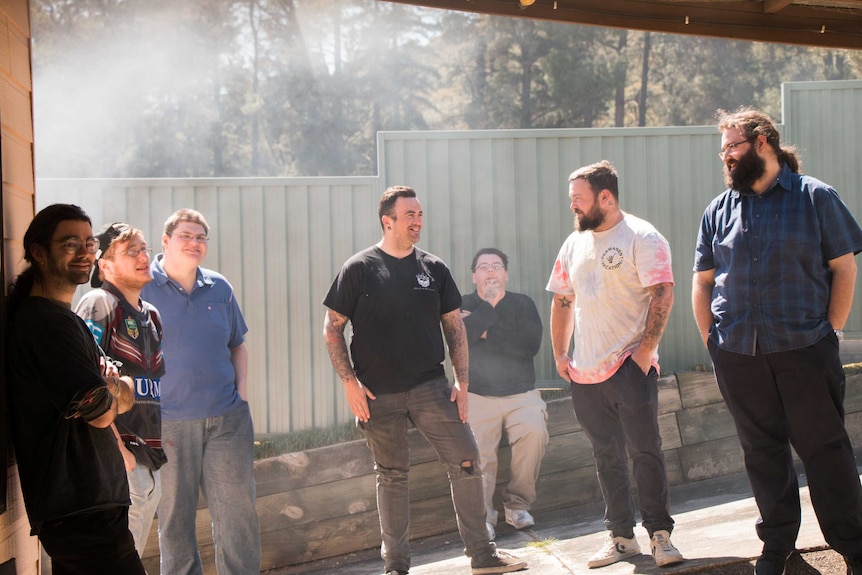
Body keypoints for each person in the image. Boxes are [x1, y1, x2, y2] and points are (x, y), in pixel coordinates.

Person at [692, 107, 862, 575]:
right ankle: (777, 546)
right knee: (762, 453)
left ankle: (853, 546)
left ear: (762, 141)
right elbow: (703, 281)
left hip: (805, 350)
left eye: (732, 146)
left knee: (825, 452)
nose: (725, 156)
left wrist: (831, 332)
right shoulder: (718, 209)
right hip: (738, 355)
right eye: (722, 149)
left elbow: (844, 267)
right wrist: (714, 343)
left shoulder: (816, 197)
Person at [322, 186, 527, 575]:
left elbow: (455, 329)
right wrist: (349, 381)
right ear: (388, 220)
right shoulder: (359, 268)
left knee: (467, 462)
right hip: (376, 394)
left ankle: (482, 556)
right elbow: (332, 328)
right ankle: (396, 566)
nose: (418, 220)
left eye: (420, 214)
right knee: (392, 476)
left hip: (431, 387)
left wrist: (462, 383)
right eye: (410, 214)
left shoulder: (433, 268)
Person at [547, 161, 684, 569]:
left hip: (629, 366)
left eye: (579, 199)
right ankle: (622, 538)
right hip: (584, 372)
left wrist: (643, 355)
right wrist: (560, 354)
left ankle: (660, 536)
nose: (573, 206)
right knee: (606, 457)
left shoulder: (642, 236)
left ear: (605, 197)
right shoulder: (573, 244)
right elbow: (562, 299)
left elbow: (662, 294)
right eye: (571, 199)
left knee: (645, 452)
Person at [5, 204, 145, 574]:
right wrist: (119, 387)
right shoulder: (46, 324)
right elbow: (99, 412)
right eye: (70, 244)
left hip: (88, 509)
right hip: (82, 511)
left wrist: (112, 389)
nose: (85, 252)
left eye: (89, 243)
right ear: (38, 252)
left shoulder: (63, 319)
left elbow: (112, 392)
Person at [141, 208, 261, 575]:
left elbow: (237, 344)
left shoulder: (219, 287)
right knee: (175, 519)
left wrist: (240, 394)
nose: (194, 243)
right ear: (166, 241)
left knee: (237, 514)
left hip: (227, 419)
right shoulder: (144, 287)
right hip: (169, 425)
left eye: (200, 238)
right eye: (186, 236)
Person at [75, 222, 166, 557]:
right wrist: (120, 453)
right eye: (132, 251)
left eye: (144, 249)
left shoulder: (152, 316)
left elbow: (151, 390)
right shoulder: (99, 303)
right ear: (106, 265)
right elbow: (84, 383)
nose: (144, 257)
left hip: (148, 462)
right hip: (117, 465)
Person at [461, 247, 547, 540]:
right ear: (474, 276)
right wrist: (488, 307)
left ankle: (518, 504)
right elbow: (460, 341)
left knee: (534, 432)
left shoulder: (523, 304)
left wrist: (482, 329)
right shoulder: (461, 303)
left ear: (506, 274)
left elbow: (528, 346)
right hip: (477, 394)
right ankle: (484, 517)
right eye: (483, 267)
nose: (490, 272)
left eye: (496, 266)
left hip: (520, 393)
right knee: (479, 452)